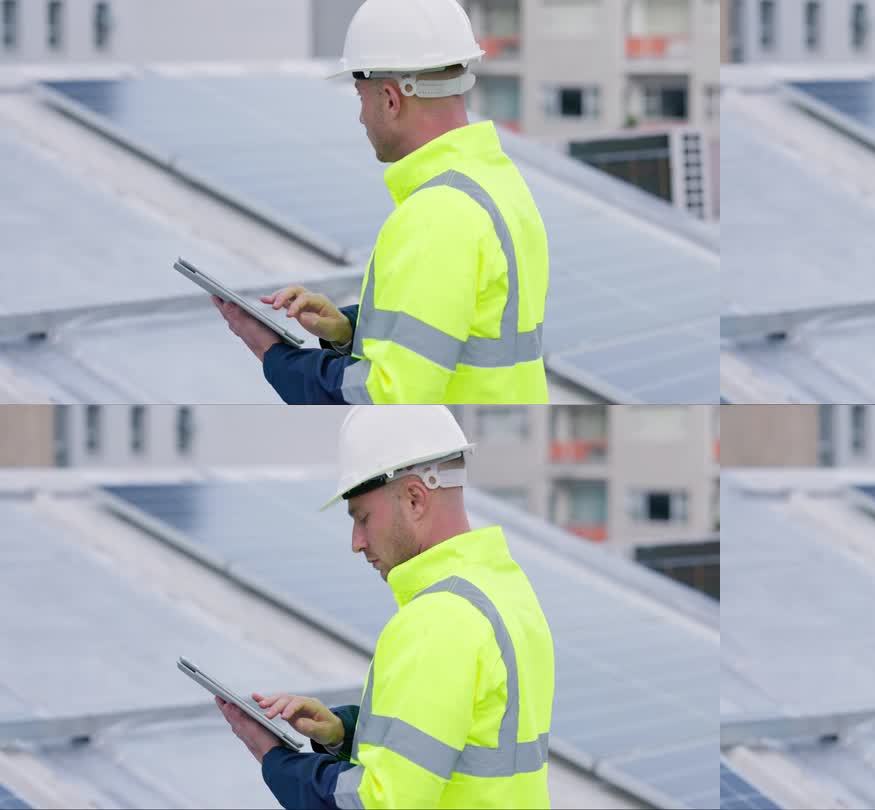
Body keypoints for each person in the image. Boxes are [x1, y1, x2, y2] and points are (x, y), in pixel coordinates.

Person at [215, 405, 555, 809]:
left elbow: (382, 803)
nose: (356, 542)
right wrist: (344, 732)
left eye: (362, 518)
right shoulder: (503, 588)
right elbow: (464, 741)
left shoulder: (437, 620)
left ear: (414, 499)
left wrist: (275, 761)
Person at [215, 0, 550, 405]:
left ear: (390, 99)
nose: (361, 117)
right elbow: (458, 331)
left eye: (362, 97)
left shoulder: (437, 214)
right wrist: (347, 330)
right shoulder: (497, 181)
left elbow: (386, 396)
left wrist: (272, 354)